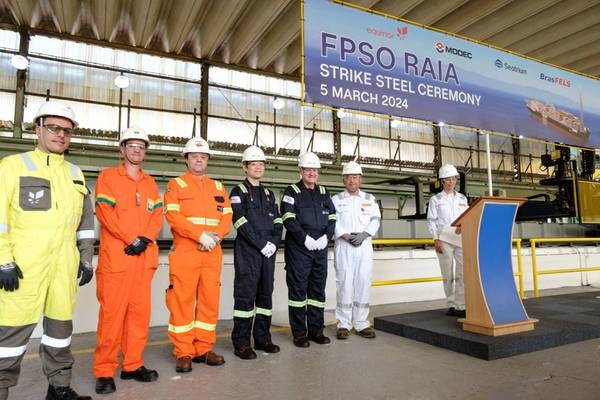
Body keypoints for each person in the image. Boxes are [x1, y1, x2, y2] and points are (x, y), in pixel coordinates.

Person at [0, 101, 94, 400]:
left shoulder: (76, 174)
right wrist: (3, 261)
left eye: (67, 130)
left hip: (63, 267)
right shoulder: (13, 166)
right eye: (54, 127)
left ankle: (59, 388)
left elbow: (86, 223)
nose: (61, 135)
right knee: (10, 338)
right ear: (37, 128)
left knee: (60, 333)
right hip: (22, 267)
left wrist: (86, 259)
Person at [93, 128, 163, 394]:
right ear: (121, 149)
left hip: (142, 259)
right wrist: (130, 238)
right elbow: (104, 212)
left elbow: (157, 216)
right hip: (118, 260)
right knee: (112, 317)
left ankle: (132, 365)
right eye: (131, 145)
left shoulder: (149, 182)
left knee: (138, 316)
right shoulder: (109, 177)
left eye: (141, 146)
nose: (136, 150)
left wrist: (144, 238)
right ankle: (104, 370)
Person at [164, 138, 232, 373]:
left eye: (203, 156)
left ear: (208, 160)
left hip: (212, 252)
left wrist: (215, 238)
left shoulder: (218, 187)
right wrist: (198, 235)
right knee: (181, 301)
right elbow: (173, 216)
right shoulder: (176, 185)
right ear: (187, 159)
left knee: (209, 301)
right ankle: (183, 351)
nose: (199, 159)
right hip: (186, 251)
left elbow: (227, 216)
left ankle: (203, 348)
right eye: (194, 156)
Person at [229, 146, 283, 360]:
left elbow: (278, 221)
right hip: (248, 253)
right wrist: (261, 244)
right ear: (245, 167)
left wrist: (274, 243)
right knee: (245, 297)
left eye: (261, 164)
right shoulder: (237, 192)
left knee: (265, 295)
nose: (258, 167)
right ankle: (241, 343)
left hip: (268, 253)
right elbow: (239, 221)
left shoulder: (269, 194)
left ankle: (263, 339)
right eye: (254, 164)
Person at [281, 152, 336, 348]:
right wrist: (305, 238)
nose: (311, 173)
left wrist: (326, 237)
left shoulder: (324, 192)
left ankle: (316, 331)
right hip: (299, 250)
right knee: (298, 292)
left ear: (318, 172)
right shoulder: (291, 191)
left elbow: (332, 218)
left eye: (314, 169)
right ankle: (299, 333)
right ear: (301, 171)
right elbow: (288, 218)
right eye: (308, 169)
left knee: (317, 292)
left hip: (320, 249)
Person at [331, 161, 381, 340]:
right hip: (344, 247)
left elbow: (375, 219)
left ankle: (361, 323)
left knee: (363, 282)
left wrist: (365, 234)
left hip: (364, 246)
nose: (352, 180)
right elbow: (332, 221)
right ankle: (343, 324)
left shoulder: (369, 198)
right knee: (344, 283)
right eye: (348, 177)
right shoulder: (335, 200)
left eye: (355, 177)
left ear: (360, 179)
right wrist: (344, 235)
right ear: (343, 180)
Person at [426, 164, 469, 318]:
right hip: (443, 238)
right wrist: (435, 239)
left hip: (460, 237)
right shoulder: (435, 199)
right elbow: (431, 221)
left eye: (453, 179)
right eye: (448, 180)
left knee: (462, 273)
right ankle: (451, 304)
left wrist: (463, 226)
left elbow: (468, 216)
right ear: (442, 181)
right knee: (447, 274)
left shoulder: (462, 198)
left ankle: (461, 304)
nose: (451, 182)